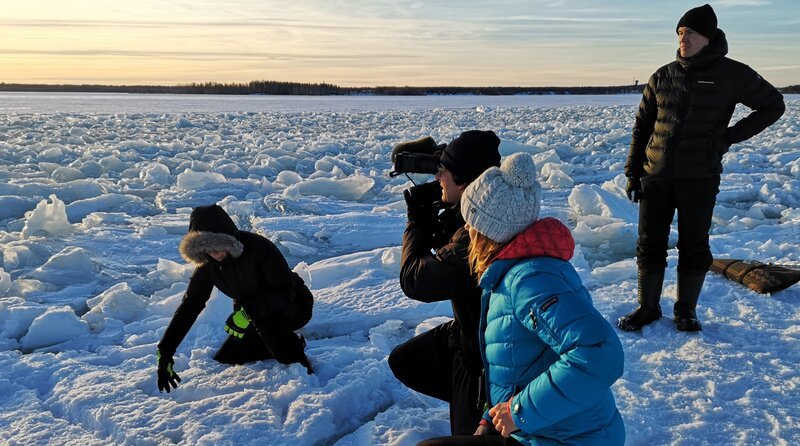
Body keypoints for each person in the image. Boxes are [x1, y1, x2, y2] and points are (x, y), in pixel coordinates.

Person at [420, 152, 625, 445]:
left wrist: (519, 412)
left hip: (565, 439)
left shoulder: (530, 279)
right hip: (544, 431)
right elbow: (520, 365)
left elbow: (600, 353)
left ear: (490, 230)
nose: (467, 228)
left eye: (472, 221)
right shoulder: (512, 272)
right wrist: (490, 417)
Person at [619, 4, 785, 332]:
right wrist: (633, 171)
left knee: (694, 244)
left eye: (690, 33)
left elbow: (773, 104)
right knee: (649, 243)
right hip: (656, 175)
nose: (683, 39)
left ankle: (685, 311)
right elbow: (642, 126)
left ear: (706, 38)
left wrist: (728, 137)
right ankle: (647, 308)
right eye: (680, 33)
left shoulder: (732, 74)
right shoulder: (663, 75)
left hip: (700, 176)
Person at [389, 130, 501, 435]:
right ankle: (466, 405)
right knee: (405, 361)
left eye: (443, 172)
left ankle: (479, 408)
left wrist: (416, 222)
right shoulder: (489, 208)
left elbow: (416, 280)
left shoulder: (478, 237)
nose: (437, 176)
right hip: (465, 334)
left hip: (483, 359)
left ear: (464, 182)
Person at [156, 204, 313, 393]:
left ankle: (297, 358)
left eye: (219, 245)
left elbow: (286, 291)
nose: (215, 253)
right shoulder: (208, 265)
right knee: (229, 356)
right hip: (252, 311)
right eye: (207, 248)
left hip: (293, 304)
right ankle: (279, 341)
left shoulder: (260, 248)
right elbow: (190, 305)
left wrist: (247, 313)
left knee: (271, 331)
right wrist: (166, 351)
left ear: (230, 239)